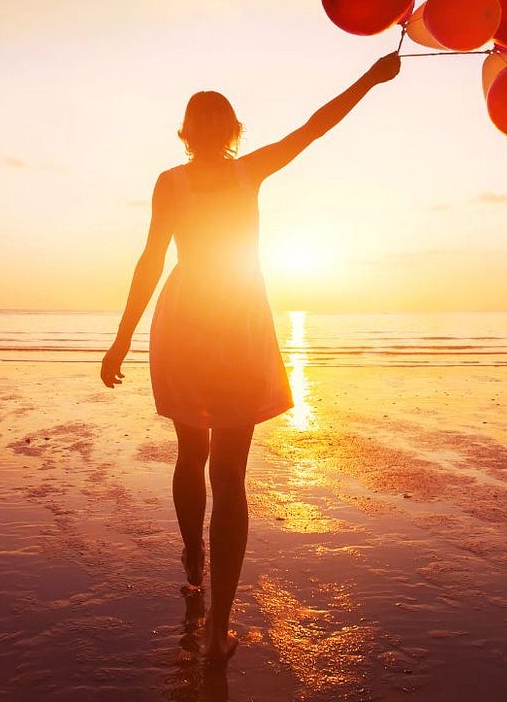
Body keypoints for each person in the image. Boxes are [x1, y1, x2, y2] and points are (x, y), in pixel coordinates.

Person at [100, 53, 402, 666]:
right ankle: (217, 630)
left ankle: (193, 559)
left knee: (192, 453)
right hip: (233, 319)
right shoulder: (248, 171)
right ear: (232, 130)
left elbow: (151, 262)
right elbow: (315, 127)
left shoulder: (172, 181)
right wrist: (369, 79)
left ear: (188, 132)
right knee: (229, 477)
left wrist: (123, 335)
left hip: (187, 320)